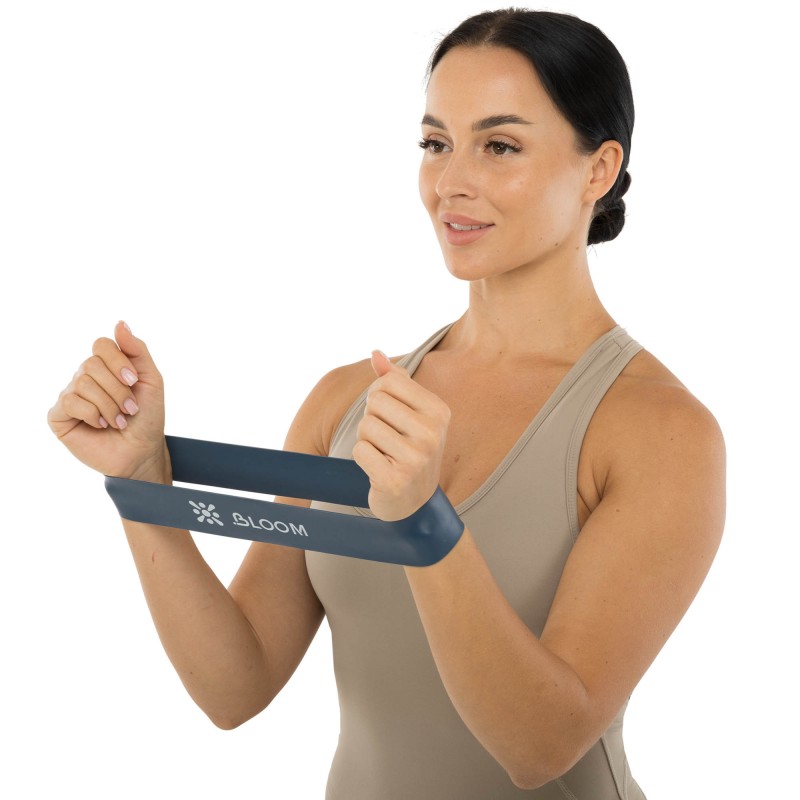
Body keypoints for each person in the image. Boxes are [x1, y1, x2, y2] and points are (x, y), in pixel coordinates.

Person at [47, 8, 725, 799]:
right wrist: (141, 483)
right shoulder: (346, 401)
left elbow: (540, 747)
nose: (451, 182)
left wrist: (423, 522)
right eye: (436, 143)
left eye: (499, 146)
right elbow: (236, 687)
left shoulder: (660, 431)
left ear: (599, 170)